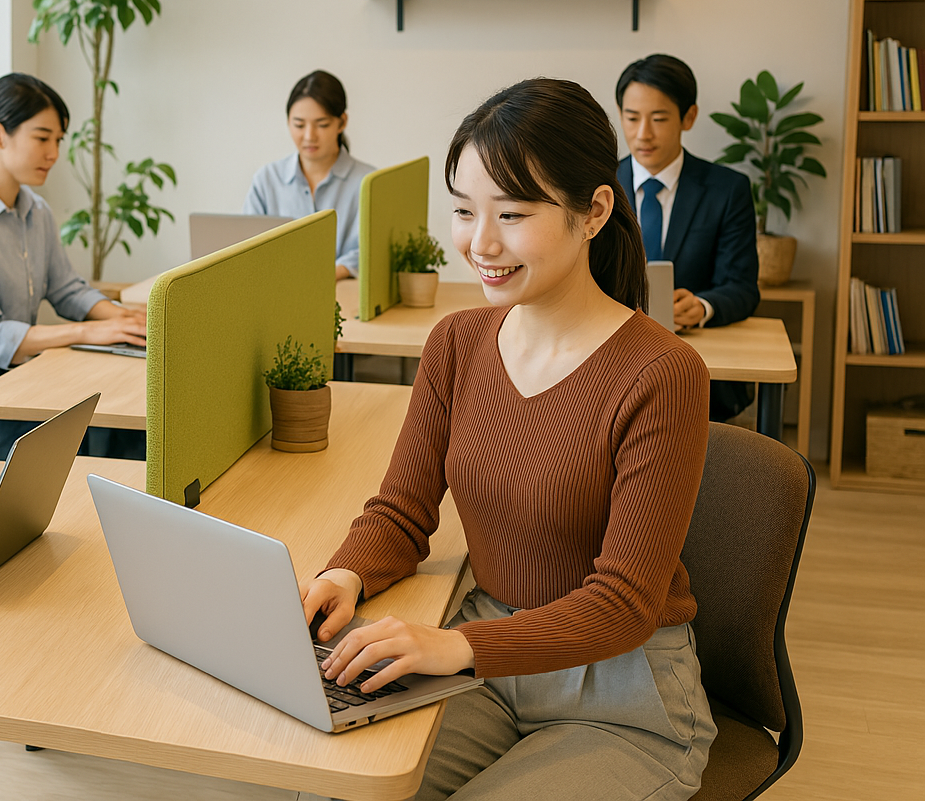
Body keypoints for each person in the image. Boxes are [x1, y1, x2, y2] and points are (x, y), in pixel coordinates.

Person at [301, 78, 716, 801]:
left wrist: (454, 647)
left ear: (594, 211)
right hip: (484, 664)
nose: (480, 243)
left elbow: (623, 603)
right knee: (335, 788)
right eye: (463, 210)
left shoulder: (662, 372)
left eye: (513, 214)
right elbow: (401, 513)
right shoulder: (457, 343)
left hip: (619, 698)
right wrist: (343, 577)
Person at [0, 73, 147, 459]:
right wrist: (93, 330)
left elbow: (67, 289)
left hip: (14, 379)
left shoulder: (37, 211)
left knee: (123, 430)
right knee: (81, 445)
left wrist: (126, 322)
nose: (53, 153)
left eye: (58, 141)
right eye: (42, 138)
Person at [615, 54, 760, 422]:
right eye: (631, 118)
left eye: (659, 119)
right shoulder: (597, 186)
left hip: (695, 364)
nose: (642, 133)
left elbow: (742, 287)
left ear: (688, 117)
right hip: (611, 357)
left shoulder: (727, 190)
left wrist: (702, 306)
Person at [244, 70, 377, 279]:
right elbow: (245, 249)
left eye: (322, 124)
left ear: (342, 122)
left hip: (345, 300)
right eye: (299, 124)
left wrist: (328, 274)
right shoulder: (267, 179)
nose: (309, 136)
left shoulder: (369, 182)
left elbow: (375, 252)